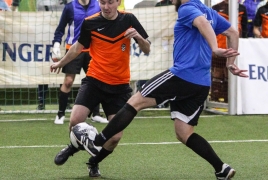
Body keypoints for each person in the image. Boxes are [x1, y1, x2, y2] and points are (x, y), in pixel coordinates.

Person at [84, 0, 248, 179]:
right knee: (183, 132)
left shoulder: (187, 8)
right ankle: (221, 168)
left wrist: (215, 49)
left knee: (134, 102)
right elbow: (232, 32)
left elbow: (201, 24)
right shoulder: (209, 12)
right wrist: (230, 64)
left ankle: (97, 141)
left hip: (182, 75)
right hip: (201, 83)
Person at [50, 0, 150, 177]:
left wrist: (139, 37)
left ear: (118, 2)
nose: (106, 7)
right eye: (103, 2)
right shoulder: (91, 22)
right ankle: (72, 147)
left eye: (110, 2)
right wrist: (61, 62)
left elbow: (147, 49)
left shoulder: (129, 19)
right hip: (94, 81)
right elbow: (77, 48)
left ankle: (93, 162)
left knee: (115, 137)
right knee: (74, 121)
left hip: (120, 87)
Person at [51, 0, 108, 125]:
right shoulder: (69, 7)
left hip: (93, 49)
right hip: (73, 49)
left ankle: (96, 114)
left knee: (96, 81)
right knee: (68, 81)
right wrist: (55, 44)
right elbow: (60, 29)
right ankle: (60, 113)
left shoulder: (98, 5)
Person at [211, 0, 247, 103]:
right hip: (219, 45)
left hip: (234, 46)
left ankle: (229, 99)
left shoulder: (241, 8)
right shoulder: (216, 8)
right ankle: (215, 97)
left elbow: (244, 29)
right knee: (217, 71)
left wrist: (242, 44)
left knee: (229, 73)